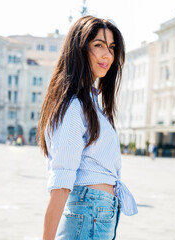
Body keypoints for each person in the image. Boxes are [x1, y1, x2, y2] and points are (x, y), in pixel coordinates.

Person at [37, 16, 138, 240]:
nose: (108, 55)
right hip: (90, 214)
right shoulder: (73, 106)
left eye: (111, 48)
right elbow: (61, 181)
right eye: (98, 45)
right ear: (79, 49)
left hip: (97, 215)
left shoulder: (91, 104)